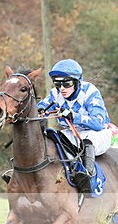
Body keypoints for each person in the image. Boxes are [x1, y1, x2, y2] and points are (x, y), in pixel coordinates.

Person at [36, 59, 112, 193]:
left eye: (67, 83)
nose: (62, 88)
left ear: (77, 82)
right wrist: (40, 111)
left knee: (88, 142)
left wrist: (74, 116)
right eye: (58, 83)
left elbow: (98, 122)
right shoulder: (56, 93)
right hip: (72, 133)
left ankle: (87, 177)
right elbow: (41, 106)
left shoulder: (90, 92)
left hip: (97, 133)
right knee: (52, 137)